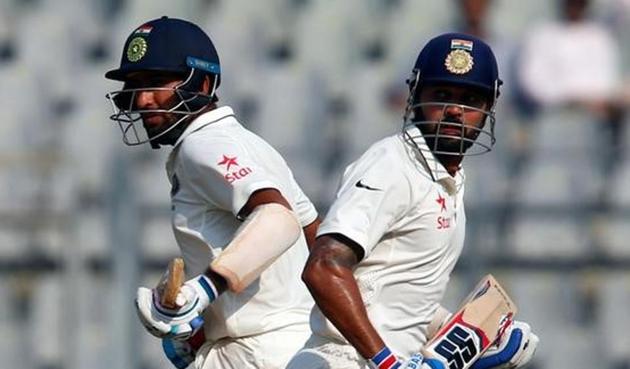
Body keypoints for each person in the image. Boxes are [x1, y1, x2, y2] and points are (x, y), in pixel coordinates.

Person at [286, 33, 539, 369]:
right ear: (415, 96)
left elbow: (398, 296)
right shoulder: (392, 163)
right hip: (341, 359)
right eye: (442, 95)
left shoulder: (447, 180)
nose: (454, 110)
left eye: (469, 100)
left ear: (488, 109)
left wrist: (475, 336)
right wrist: (388, 363)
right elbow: (324, 267)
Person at [104, 16, 320, 369]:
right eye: (134, 86)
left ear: (202, 83)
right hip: (294, 347)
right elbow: (317, 237)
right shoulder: (250, 143)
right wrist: (198, 324)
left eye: (156, 83)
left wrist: (202, 290)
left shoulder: (201, 145)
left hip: (255, 354)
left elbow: (280, 220)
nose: (142, 100)